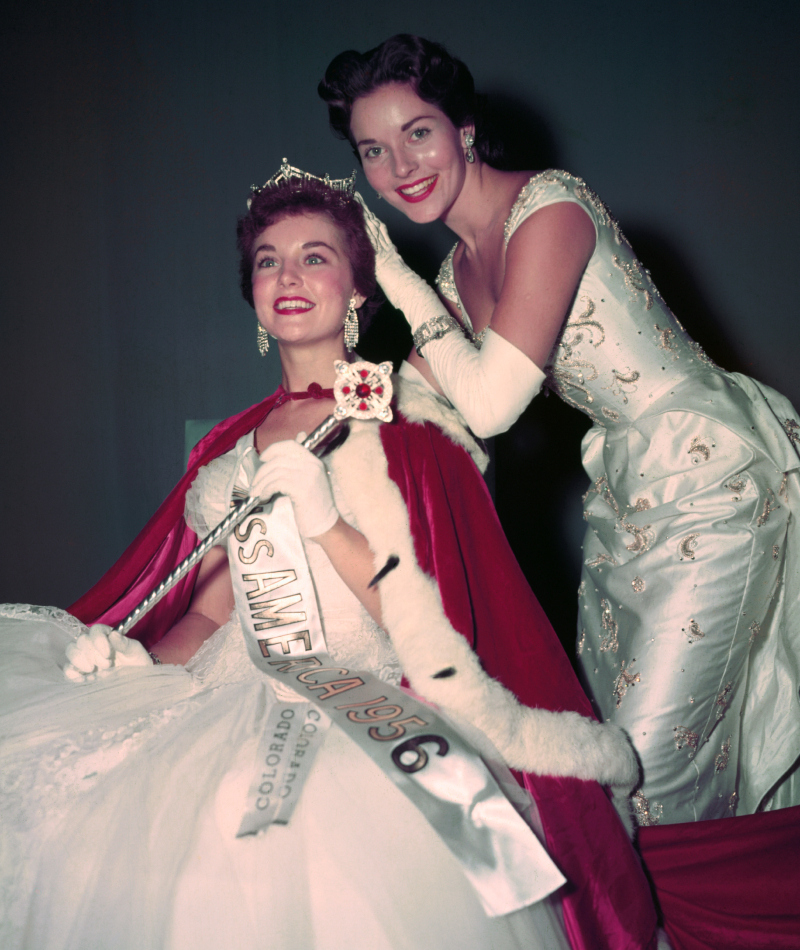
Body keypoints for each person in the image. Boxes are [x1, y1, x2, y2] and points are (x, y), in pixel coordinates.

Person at [0, 165, 660, 950]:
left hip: (370, 696)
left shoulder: (413, 424)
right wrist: (137, 660)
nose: (288, 275)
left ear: (358, 289)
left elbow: (441, 617)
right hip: (224, 692)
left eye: (316, 256)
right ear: (251, 294)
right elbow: (213, 610)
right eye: (269, 260)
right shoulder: (224, 452)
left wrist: (326, 522)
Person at [318, 34, 800, 831]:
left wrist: (396, 282)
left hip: (712, 475)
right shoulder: (456, 276)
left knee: (639, 783)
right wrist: (308, 414)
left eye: (418, 133)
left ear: (464, 130)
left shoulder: (551, 207)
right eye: (374, 149)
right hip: (626, 494)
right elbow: (413, 395)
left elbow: (493, 406)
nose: (401, 166)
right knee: (606, 759)